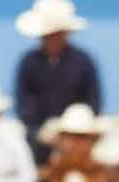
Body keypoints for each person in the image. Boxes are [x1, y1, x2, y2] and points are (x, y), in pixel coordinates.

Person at [13, 0, 102, 166]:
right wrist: (41, 130)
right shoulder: (29, 63)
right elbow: (24, 102)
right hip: (39, 137)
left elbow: (93, 100)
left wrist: (71, 128)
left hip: (77, 131)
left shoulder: (83, 62)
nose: (52, 39)